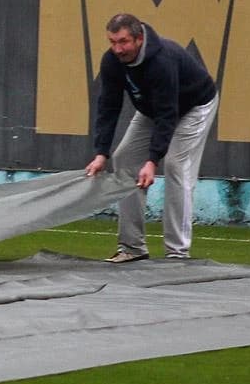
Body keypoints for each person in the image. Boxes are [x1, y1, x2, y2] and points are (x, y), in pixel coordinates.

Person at [84, 13, 219, 262]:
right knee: (124, 158)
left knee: (176, 165)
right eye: (112, 42)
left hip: (194, 106)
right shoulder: (112, 61)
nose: (117, 49)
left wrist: (152, 160)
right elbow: (108, 106)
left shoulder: (162, 60)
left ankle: (177, 253)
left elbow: (168, 114)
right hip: (152, 109)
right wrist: (101, 153)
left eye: (123, 42)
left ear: (138, 39)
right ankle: (132, 248)